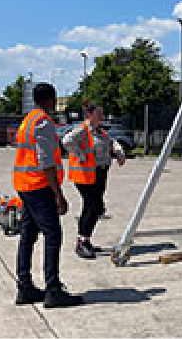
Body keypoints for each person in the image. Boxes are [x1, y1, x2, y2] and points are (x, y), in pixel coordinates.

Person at [12, 83, 83, 308]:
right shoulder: (43, 122)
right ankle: (53, 290)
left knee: (28, 235)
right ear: (50, 100)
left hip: (25, 185)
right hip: (38, 186)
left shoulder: (27, 120)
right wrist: (58, 194)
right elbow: (47, 162)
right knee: (53, 235)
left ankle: (24, 286)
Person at [63, 101, 126, 259]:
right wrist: (80, 155)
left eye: (102, 114)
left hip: (99, 174)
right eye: (99, 114)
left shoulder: (100, 132)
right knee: (93, 206)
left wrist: (118, 152)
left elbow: (111, 142)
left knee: (94, 207)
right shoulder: (82, 130)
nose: (102, 116)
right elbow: (66, 141)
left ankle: (85, 239)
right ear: (89, 115)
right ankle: (82, 242)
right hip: (86, 175)